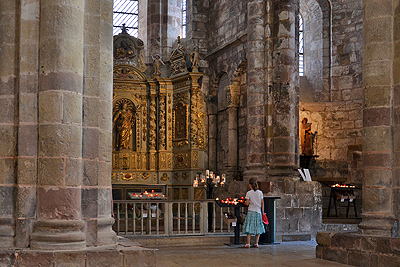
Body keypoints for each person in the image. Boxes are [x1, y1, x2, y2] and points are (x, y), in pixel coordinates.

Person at [242, 177, 265, 248]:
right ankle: (256, 243)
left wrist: (244, 202)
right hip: (258, 211)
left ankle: (248, 243)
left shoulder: (249, 193)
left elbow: (247, 203)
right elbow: (262, 203)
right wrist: (263, 211)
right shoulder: (260, 192)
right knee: (257, 227)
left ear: (250, 185)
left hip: (251, 211)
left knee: (249, 227)